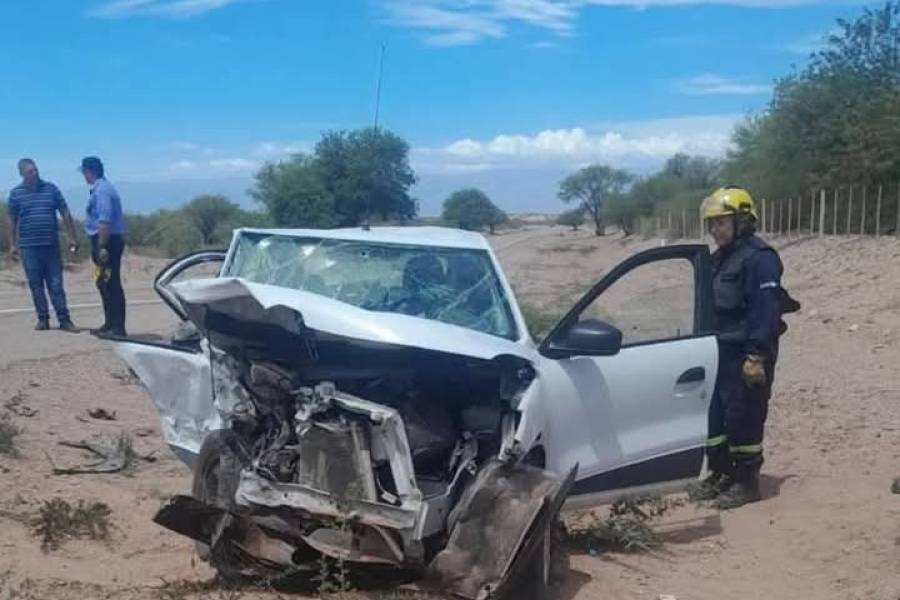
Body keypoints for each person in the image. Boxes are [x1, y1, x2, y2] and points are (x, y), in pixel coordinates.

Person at [689, 186, 798, 509]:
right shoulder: (719, 258)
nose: (714, 229)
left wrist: (756, 356)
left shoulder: (760, 259)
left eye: (721, 222)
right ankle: (721, 473)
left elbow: (765, 311)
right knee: (716, 419)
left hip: (746, 353)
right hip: (718, 351)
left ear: (742, 220)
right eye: (711, 224)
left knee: (744, 416)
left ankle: (747, 482)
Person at [6, 158, 79, 331]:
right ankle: (43, 319)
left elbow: (65, 211)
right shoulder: (16, 194)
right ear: (22, 173)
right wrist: (12, 244)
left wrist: (72, 237)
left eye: (36, 170)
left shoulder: (51, 189)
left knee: (55, 284)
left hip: (50, 245)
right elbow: (11, 219)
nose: (35, 173)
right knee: (36, 284)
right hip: (29, 247)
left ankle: (64, 319)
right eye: (30, 171)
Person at [80, 156, 127, 337]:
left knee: (110, 283)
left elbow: (105, 220)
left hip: (107, 243)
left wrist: (101, 246)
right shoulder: (99, 189)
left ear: (89, 172)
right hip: (105, 241)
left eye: (84, 172)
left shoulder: (103, 191)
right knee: (102, 282)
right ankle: (109, 323)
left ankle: (118, 327)